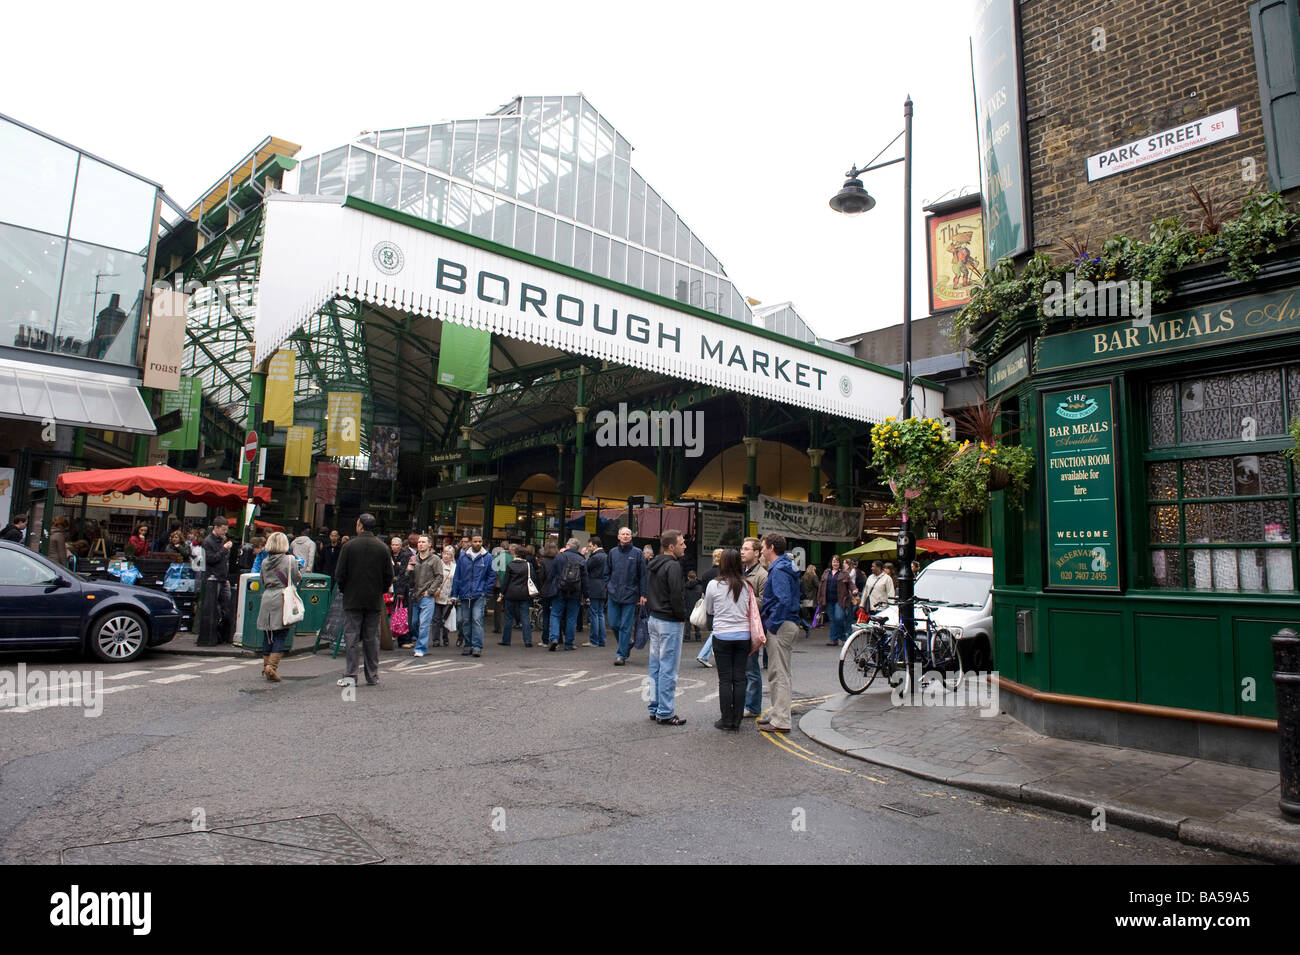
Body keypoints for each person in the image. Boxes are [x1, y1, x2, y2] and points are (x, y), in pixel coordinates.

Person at [334, 514, 393, 687]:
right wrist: (379, 591)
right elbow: (389, 576)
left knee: (352, 638)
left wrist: (346, 590)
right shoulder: (383, 548)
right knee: (371, 638)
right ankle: (372, 675)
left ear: (359, 525)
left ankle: (351, 675)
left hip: (352, 598)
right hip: (373, 599)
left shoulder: (349, 546)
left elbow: (340, 574)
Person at [757, 533, 803, 734]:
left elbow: (783, 600)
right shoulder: (784, 566)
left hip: (781, 625)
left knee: (779, 673)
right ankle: (777, 714)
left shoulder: (779, 570)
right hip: (787, 623)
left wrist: (772, 624)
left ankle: (781, 720)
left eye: (763, 546)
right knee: (780, 672)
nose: (761, 549)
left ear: (772, 547)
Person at [706, 549, 755, 731]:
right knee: (740, 678)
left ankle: (726, 720)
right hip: (743, 635)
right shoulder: (746, 585)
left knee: (725, 679)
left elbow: (710, 610)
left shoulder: (713, 585)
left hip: (722, 635)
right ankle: (737, 720)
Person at [645, 530, 687, 724]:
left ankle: (654, 706)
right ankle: (665, 712)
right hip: (669, 621)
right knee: (668, 668)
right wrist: (682, 616)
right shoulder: (673, 566)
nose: (684, 546)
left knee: (655, 667)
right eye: (681, 543)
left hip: (654, 618)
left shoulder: (653, 565)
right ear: (671, 547)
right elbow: (676, 594)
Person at [256, 532, 303, 682]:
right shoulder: (289, 560)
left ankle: (265, 666)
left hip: (267, 597)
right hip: (283, 598)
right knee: (280, 634)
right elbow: (297, 578)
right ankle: (272, 667)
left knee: (267, 633)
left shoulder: (264, 562)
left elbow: (262, 581)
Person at [607, 526, 646, 666]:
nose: (625, 536)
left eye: (628, 534)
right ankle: (626, 643)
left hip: (630, 594)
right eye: (622, 534)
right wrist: (608, 586)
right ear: (618, 536)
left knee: (625, 625)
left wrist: (643, 594)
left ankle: (621, 655)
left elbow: (643, 575)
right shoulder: (612, 552)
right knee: (613, 623)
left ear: (631, 537)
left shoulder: (637, 553)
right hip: (613, 594)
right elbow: (607, 572)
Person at [740, 537, 769, 719]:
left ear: (757, 553)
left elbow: (764, 602)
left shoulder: (762, 575)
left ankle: (753, 706)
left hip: (753, 626)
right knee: (742, 668)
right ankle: (745, 703)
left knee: (751, 669)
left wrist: (745, 599)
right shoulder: (741, 571)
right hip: (740, 624)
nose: (742, 551)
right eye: (742, 548)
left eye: (747, 549)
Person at [452, 534, 494, 657]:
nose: (478, 544)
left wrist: (485, 591)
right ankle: (468, 645)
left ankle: (476, 646)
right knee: (465, 621)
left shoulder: (488, 557)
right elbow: (457, 576)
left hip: (479, 593)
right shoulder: (463, 557)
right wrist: (454, 594)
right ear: (471, 542)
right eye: (475, 541)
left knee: (476, 620)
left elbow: (491, 575)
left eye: (480, 541)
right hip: (465, 593)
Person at [546, 537, 588, 650]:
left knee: (555, 614)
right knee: (571, 618)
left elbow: (552, 574)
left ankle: (554, 638)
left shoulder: (559, 556)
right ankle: (569, 643)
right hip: (575, 592)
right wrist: (586, 594)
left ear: (567, 545)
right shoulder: (581, 559)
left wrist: (548, 587)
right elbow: (585, 579)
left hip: (559, 590)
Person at [200, 517, 235, 644]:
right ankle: (213, 635)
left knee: (226, 607)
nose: (225, 532)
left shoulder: (221, 540)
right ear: (216, 527)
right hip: (213, 579)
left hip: (222, 578)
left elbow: (223, 561)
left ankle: (221, 635)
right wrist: (224, 549)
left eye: (226, 530)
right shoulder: (207, 542)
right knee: (214, 608)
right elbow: (211, 559)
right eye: (223, 529)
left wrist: (225, 577)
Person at [410, 535, 445, 657]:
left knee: (424, 623)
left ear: (429, 544)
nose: (420, 544)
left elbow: (439, 576)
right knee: (414, 623)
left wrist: (430, 591)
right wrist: (408, 569)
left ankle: (420, 648)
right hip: (415, 595)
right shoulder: (414, 558)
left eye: (423, 542)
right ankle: (417, 641)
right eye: (419, 542)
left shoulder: (435, 559)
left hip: (427, 596)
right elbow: (407, 576)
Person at [499, 544, 535, 647]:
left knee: (508, 617)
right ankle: (527, 640)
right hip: (524, 594)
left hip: (510, 593)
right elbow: (532, 579)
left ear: (515, 554)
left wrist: (502, 593)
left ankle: (506, 640)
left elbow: (506, 582)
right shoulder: (528, 566)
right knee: (525, 617)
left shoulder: (510, 565)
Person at [583, 538, 609, 647]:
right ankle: (602, 640)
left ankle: (594, 640)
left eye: (590, 546)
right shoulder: (607, 556)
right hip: (603, 587)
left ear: (595, 546)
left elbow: (585, 568)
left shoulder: (595, 557)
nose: (589, 548)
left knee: (594, 614)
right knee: (600, 614)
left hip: (594, 586)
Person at [390, 536, 415, 648]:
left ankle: (405, 639)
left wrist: (400, 591)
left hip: (403, 590)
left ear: (400, 546)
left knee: (403, 614)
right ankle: (398, 635)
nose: (394, 547)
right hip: (392, 588)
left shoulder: (405, 555)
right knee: (398, 614)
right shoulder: (390, 556)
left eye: (396, 545)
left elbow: (404, 575)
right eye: (393, 545)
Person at [435, 544, 457, 647]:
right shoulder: (437, 564)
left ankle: (445, 638)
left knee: (446, 618)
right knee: (436, 619)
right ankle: (436, 640)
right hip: (437, 595)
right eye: (444, 553)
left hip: (449, 597)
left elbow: (457, 582)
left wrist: (455, 596)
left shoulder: (455, 567)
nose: (446, 556)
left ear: (452, 556)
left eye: (449, 554)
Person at [684, 570, 704, 643]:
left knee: (687, 622)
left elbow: (683, 597)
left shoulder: (685, 586)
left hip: (688, 606)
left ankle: (687, 636)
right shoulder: (700, 587)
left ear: (688, 578)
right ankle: (698, 636)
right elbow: (702, 597)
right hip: (697, 607)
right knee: (697, 622)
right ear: (696, 577)